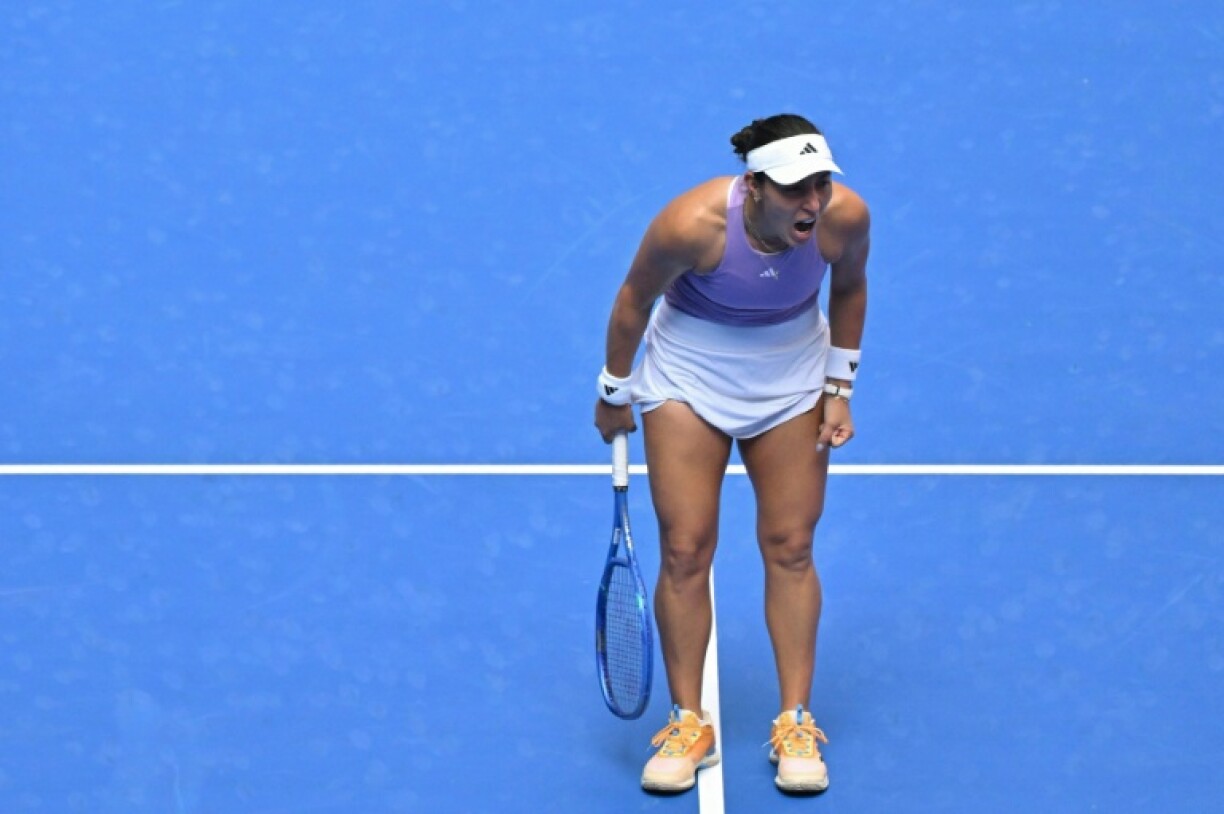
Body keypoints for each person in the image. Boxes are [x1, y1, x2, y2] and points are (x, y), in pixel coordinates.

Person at [593, 113, 870, 794]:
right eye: (795, 188)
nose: (812, 202)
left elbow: (851, 287)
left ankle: (796, 719)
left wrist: (840, 388)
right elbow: (634, 298)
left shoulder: (845, 218)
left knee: (791, 544)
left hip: (792, 377)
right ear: (753, 186)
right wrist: (613, 389)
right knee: (686, 548)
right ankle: (690, 721)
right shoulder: (691, 225)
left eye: (820, 185)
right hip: (690, 374)